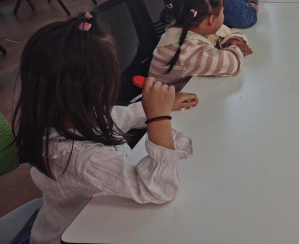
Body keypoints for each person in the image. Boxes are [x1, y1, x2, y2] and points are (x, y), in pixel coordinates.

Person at [12, 13, 198, 244]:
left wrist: (154, 108)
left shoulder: (66, 116)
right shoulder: (80, 158)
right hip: (72, 236)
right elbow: (160, 189)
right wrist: (159, 118)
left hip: (82, 215)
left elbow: (113, 117)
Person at [149, 0, 250, 92]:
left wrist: (231, 39)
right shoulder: (188, 50)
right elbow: (233, 63)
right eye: (222, 11)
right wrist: (234, 46)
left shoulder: (187, 26)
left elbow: (229, 32)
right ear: (211, 20)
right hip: (168, 101)